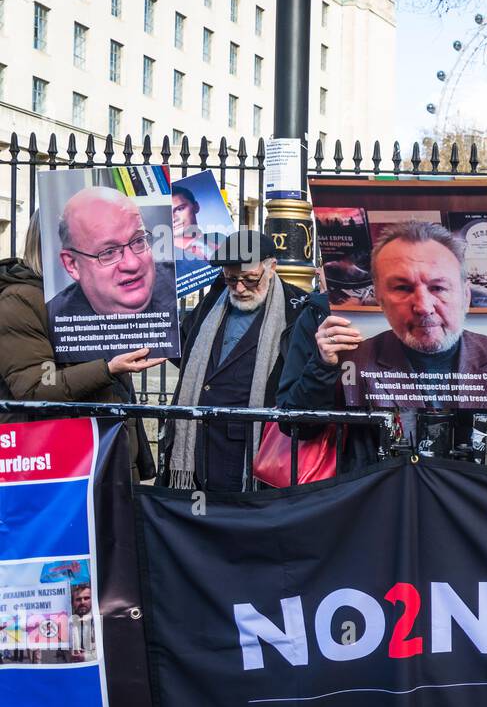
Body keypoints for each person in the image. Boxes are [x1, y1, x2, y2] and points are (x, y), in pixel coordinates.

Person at [0, 213, 163, 481]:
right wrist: (108, 369)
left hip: (106, 451)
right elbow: (34, 387)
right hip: (57, 463)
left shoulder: (93, 292)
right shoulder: (19, 300)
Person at [160, 231, 309, 491]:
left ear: (271, 267)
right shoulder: (214, 300)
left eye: (250, 280)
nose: (239, 288)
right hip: (199, 444)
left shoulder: (296, 309)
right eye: (231, 279)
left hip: (253, 449)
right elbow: (185, 350)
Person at [320, 221, 487, 413]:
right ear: (379, 297)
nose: (423, 307)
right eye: (403, 288)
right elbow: (305, 427)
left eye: (438, 288)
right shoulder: (353, 358)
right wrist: (323, 367)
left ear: (466, 295)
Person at [47, 186, 175, 320]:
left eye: (138, 241)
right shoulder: (51, 321)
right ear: (72, 265)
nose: (133, 264)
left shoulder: (175, 282)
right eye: (108, 252)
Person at [171, 183, 215, 263]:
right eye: (167, 213)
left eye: (180, 209)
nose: (173, 218)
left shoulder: (220, 241)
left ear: (196, 207)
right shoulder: (165, 260)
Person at [68, 583, 95, 663]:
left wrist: (86, 657)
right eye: (78, 599)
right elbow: (60, 655)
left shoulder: (98, 622)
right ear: (72, 603)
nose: (82, 602)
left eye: (86, 598)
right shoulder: (68, 624)